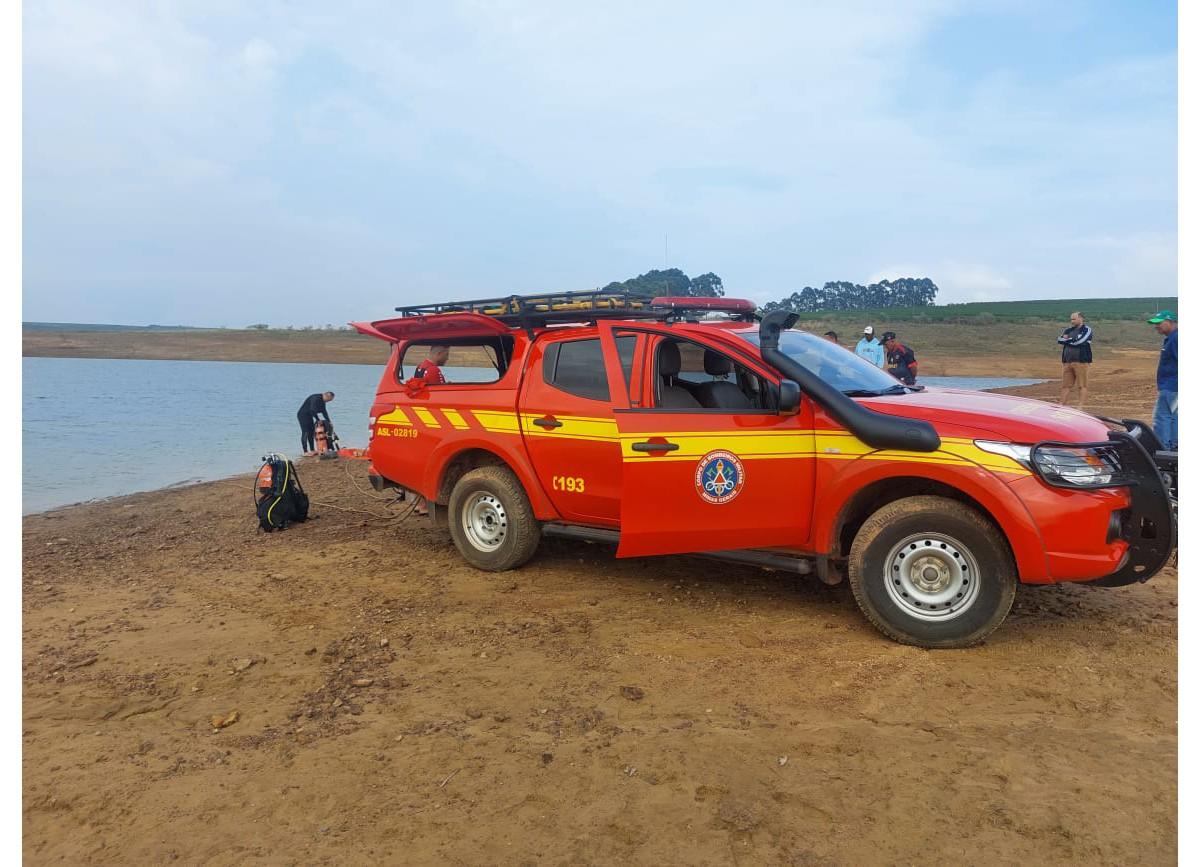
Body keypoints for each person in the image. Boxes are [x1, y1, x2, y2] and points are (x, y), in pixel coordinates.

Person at [1148, 310, 1177, 451]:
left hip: (1172, 387)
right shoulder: (1172, 338)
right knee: (1172, 417)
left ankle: (1163, 451)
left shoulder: (1176, 338)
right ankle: (1173, 448)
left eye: (1159, 323)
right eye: (1155, 323)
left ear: (1170, 322)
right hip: (1172, 386)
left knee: (1162, 418)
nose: (1156, 326)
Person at [1057, 311, 1094, 407]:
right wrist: (1071, 340)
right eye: (1071, 319)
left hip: (1081, 362)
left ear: (1081, 318)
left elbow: (1080, 341)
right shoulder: (1068, 330)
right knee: (1065, 385)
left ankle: (1080, 407)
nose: (1072, 321)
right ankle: (1061, 405)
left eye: (1074, 319)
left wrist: (1067, 340)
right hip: (1067, 362)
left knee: (1082, 385)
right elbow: (1059, 340)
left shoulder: (1087, 330)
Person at [297, 391, 334, 457]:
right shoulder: (315, 398)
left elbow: (324, 412)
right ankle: (305, 452)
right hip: (302, 415)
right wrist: (318, 420)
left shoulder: (323, 401)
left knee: (311, 432)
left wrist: (329, 421)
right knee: (305, 432)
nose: (329, 401)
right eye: (329, 400)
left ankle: (312, 450)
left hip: (309, 415)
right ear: (326, 396)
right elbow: (312, 410)